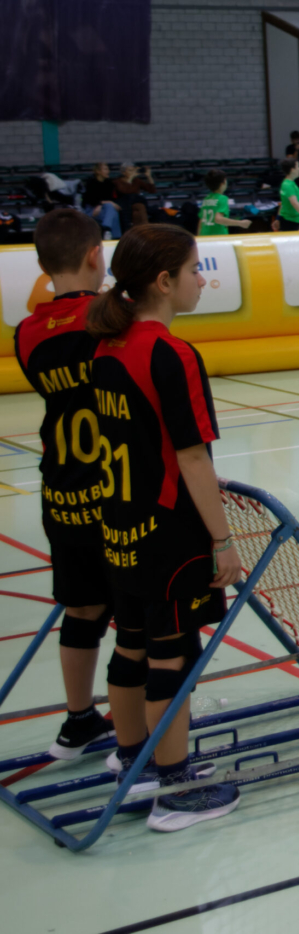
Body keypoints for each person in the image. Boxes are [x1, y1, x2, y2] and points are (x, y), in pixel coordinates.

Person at [87, 223, 243, 830]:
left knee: (130, 643)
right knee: (171, 654)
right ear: (163, 281)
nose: (201, 280)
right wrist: (223, 540)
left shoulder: (108, 345)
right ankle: (173, 790)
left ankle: (134, 763)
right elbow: (191, 454)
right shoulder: (169, 353)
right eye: (195, 269)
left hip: (119, 526)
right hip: (169, 533)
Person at [13, 209, 114, 760]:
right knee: (144, 619)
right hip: (115, 487)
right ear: (95, 255)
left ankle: (79, 720)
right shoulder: (110, 315)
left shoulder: (26, 332)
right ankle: (142, 742)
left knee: (81, 610)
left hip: (62, 489)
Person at [198, 170, 251, 236]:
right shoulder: (222, 198)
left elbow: (201, 221)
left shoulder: (206, 199)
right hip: (218, 237)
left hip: (205, 236)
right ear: (222, 183)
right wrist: (240, 223)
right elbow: (218, 219)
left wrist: (199, 238)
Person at [81, 163, 121, 239]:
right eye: (105, 169)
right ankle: (114, 235)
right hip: (92, 210)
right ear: (98, 171)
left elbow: (110, 199)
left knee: (112, 210)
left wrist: (102, 204)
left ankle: (107, 230)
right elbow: (89, 199)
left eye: (108, 169)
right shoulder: (91, 182)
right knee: (112, 209)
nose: (108, 171)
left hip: (104, 211)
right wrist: (99, 204)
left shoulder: (109, 183)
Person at [113, 163, 157, 230]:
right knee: (132, 200)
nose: (133, 172)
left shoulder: (136, 180)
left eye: (133, 170)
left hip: (135, 203)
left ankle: (145, 228)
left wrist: (149, 176)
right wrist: (130, 178)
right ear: (123, 172)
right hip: (123, 204)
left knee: (140, 205)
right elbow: (124, 191)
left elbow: (152, 190)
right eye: (130, 170)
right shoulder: (118, 181)